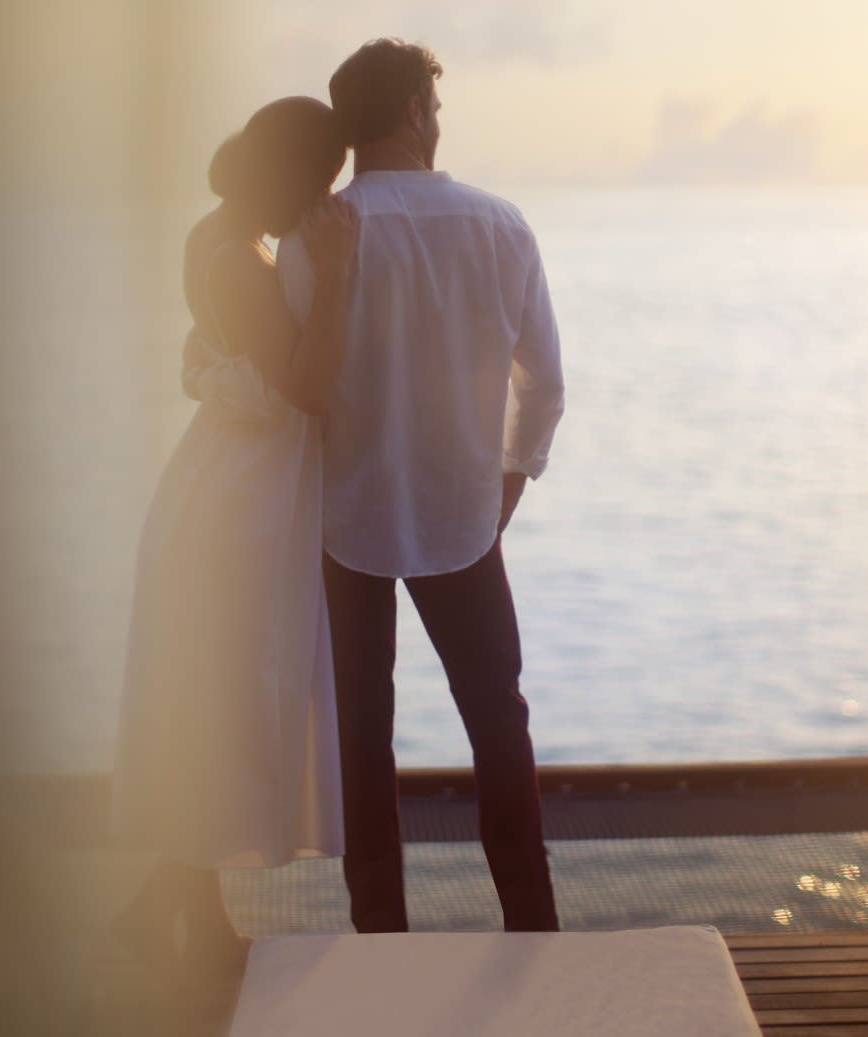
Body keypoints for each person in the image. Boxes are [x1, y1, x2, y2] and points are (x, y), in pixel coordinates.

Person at [278, 38, 566, 933]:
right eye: (433, 109)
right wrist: (510, 480)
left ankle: (381, 939)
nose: (436, 124)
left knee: (363, 735)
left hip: (344, 521)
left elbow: (298, 388)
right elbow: (544, 383)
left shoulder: (310, 235)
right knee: (497, 719)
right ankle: (531, 923)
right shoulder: (499, 224)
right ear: (412, 111)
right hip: (461, 520)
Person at [112, 96, 358, 965]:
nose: (328, 197)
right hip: (239, 504)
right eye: (324, 179)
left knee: (213, 695)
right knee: (227, 694)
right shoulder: (243, 265)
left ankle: (178, 914)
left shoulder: (216, 238)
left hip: (222, 482)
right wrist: (333, 272)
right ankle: (178, 919)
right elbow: (309, 387)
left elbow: (218, 357)